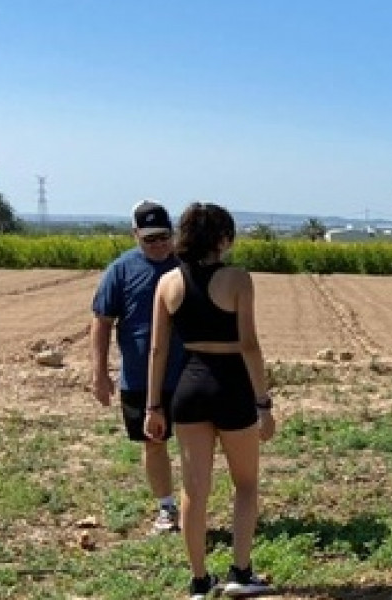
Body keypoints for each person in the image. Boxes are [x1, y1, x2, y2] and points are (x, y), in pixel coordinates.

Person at [144, 202, 276, 599]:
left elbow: (157, 350)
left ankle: (200, 581)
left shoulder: (167, 282)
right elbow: (249, 345)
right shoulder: (237, 279)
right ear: (223, 239)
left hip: (189, 388)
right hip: (231, 385)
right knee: (246, 484)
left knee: (194, 490)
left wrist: (153, 406)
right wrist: (264, 403)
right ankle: (240, 570)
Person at [91, 200, 185, 534]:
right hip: (139, 377)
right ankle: (166, 507)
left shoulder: (187, 267)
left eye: (164, 236)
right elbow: (102, 322)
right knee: (153, 441)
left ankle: (193, 506)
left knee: (193, 441)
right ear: (135, 235)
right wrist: (100, 374)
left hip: (186, 375)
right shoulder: (120, 270)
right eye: (150, 239)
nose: (159, 244)